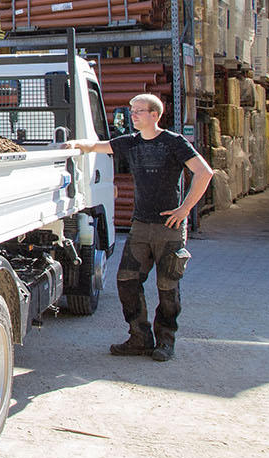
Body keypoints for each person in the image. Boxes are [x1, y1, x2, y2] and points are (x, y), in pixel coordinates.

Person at [65, 93, 213, 362]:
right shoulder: (130, 143)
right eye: (131, 111)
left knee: (168, 288)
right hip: (140, 227)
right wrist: (75, 144)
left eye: (139, 111)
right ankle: (140, 338)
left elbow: (205, 173)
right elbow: (98, 146)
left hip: (169, 227)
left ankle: (165, 342)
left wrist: (185, 210)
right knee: (127, 282)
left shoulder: (174, 143)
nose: (133, 115)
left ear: (155, 115)